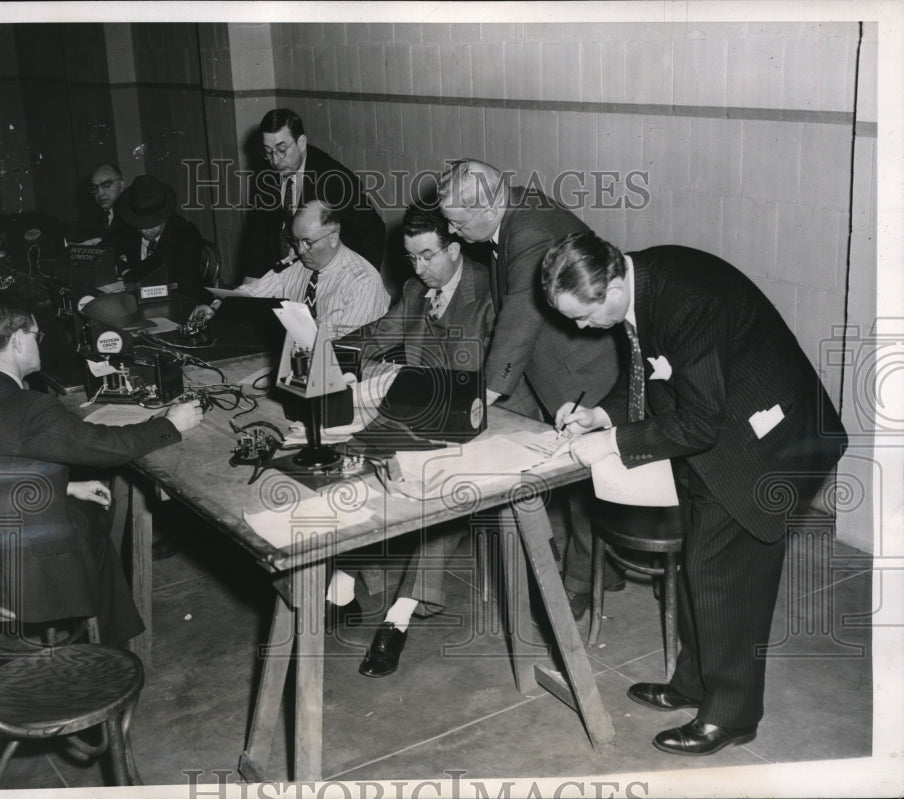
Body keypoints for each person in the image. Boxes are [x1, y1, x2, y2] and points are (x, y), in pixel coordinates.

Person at [544, 231, 847, 756]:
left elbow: (702, 422)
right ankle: (693, 683)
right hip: (724, 428)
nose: (580, 328)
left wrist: (611, 443)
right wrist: (601, 415)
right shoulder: (639, 283)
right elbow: (652, 371)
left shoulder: (688, 300)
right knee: (696, 567)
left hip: (769, 442)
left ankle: (731, 715)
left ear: (612, 288)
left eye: (583, 316)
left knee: (724, 575)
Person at [0, 293, 205, 645]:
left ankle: (112, 630)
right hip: (26, 575)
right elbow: (106, 448)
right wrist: (170, 424)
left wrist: (64, 486)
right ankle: (111, 643)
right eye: (36, 335)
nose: (39, 343)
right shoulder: (30, 407)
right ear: (17, 341)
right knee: (92, 519)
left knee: (83, 505)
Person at [436, 159, 620, 619]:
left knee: (585, 480)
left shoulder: (530, 230)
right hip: (554, 364)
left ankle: (579, 582)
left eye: (457, 223)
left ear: (488, 207)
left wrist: (486, 393)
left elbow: (521, 313)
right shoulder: (513, 210)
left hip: (584, 369)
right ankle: (603, 567)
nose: (452, 233)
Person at [334, 205, 496, 676]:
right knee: (355, 455)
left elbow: (489, 373)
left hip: (477, 418)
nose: (418, 268)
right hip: (417, 411)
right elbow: (379, 333)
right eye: (411, 258)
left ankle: (399, 616)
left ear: (455, 248)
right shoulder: (414, 289)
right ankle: (342, 583)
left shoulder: (490, 291)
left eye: (428, 256)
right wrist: (330, 355)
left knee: (437, 493)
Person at [241, 107, 385, 278]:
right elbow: (258, 235)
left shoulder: (335, 180)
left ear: (301, 143)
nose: (275, 161)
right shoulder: (268, 172)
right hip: (283, 274)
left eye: (282, 150)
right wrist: (250, 283)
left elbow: (374, 231)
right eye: (268, 152)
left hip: (327, 275)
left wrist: (361, 280)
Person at [233, 199, 389, 337]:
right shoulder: (294, 265)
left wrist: (313, 330)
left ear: (333, 239)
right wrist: (224, 303)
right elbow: (251, 294)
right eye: (295, 241)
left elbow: (350, 346)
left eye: (308, 243)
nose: (300, 250)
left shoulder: (364, 283)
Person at [114, 174, 217, 324]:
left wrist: (130, 274)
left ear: (165, 215)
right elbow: (111, 252)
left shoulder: (186, 233)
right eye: (140, 224)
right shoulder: (129, 229)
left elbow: (186, 284)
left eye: (152, 224)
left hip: (179, 306)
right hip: (139, 306)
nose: (145, 231)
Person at [67, 163, 129, 245]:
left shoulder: (133, 214)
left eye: (106, 185)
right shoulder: (91, 218)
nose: (100, 193)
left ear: (121, 184)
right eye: (95, 188)